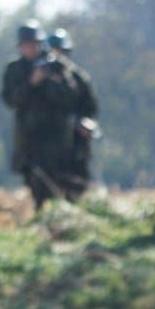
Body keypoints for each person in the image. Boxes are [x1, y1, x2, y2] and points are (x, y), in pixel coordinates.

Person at [1, 21, 83, 209]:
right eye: (27, 45)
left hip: (56, 137)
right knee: (33, 179)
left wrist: (50, 80)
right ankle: (43, 214)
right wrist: (31, 82)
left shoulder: (57, 65)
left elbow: (72, 96)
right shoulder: (14, 69)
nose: (31, 48)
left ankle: (59, 213)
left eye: (34, 44)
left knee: (58, 179)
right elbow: (10, 100)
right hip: (28, 136)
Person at [47, 28, 99, 199]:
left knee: (77, 184)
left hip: (75, 142)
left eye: (62, 52)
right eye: (55, 51)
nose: (59, 56)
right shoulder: (41, 78)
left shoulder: (79, 78)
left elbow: (90, 108)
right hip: (49, 142)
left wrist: (85, 123)